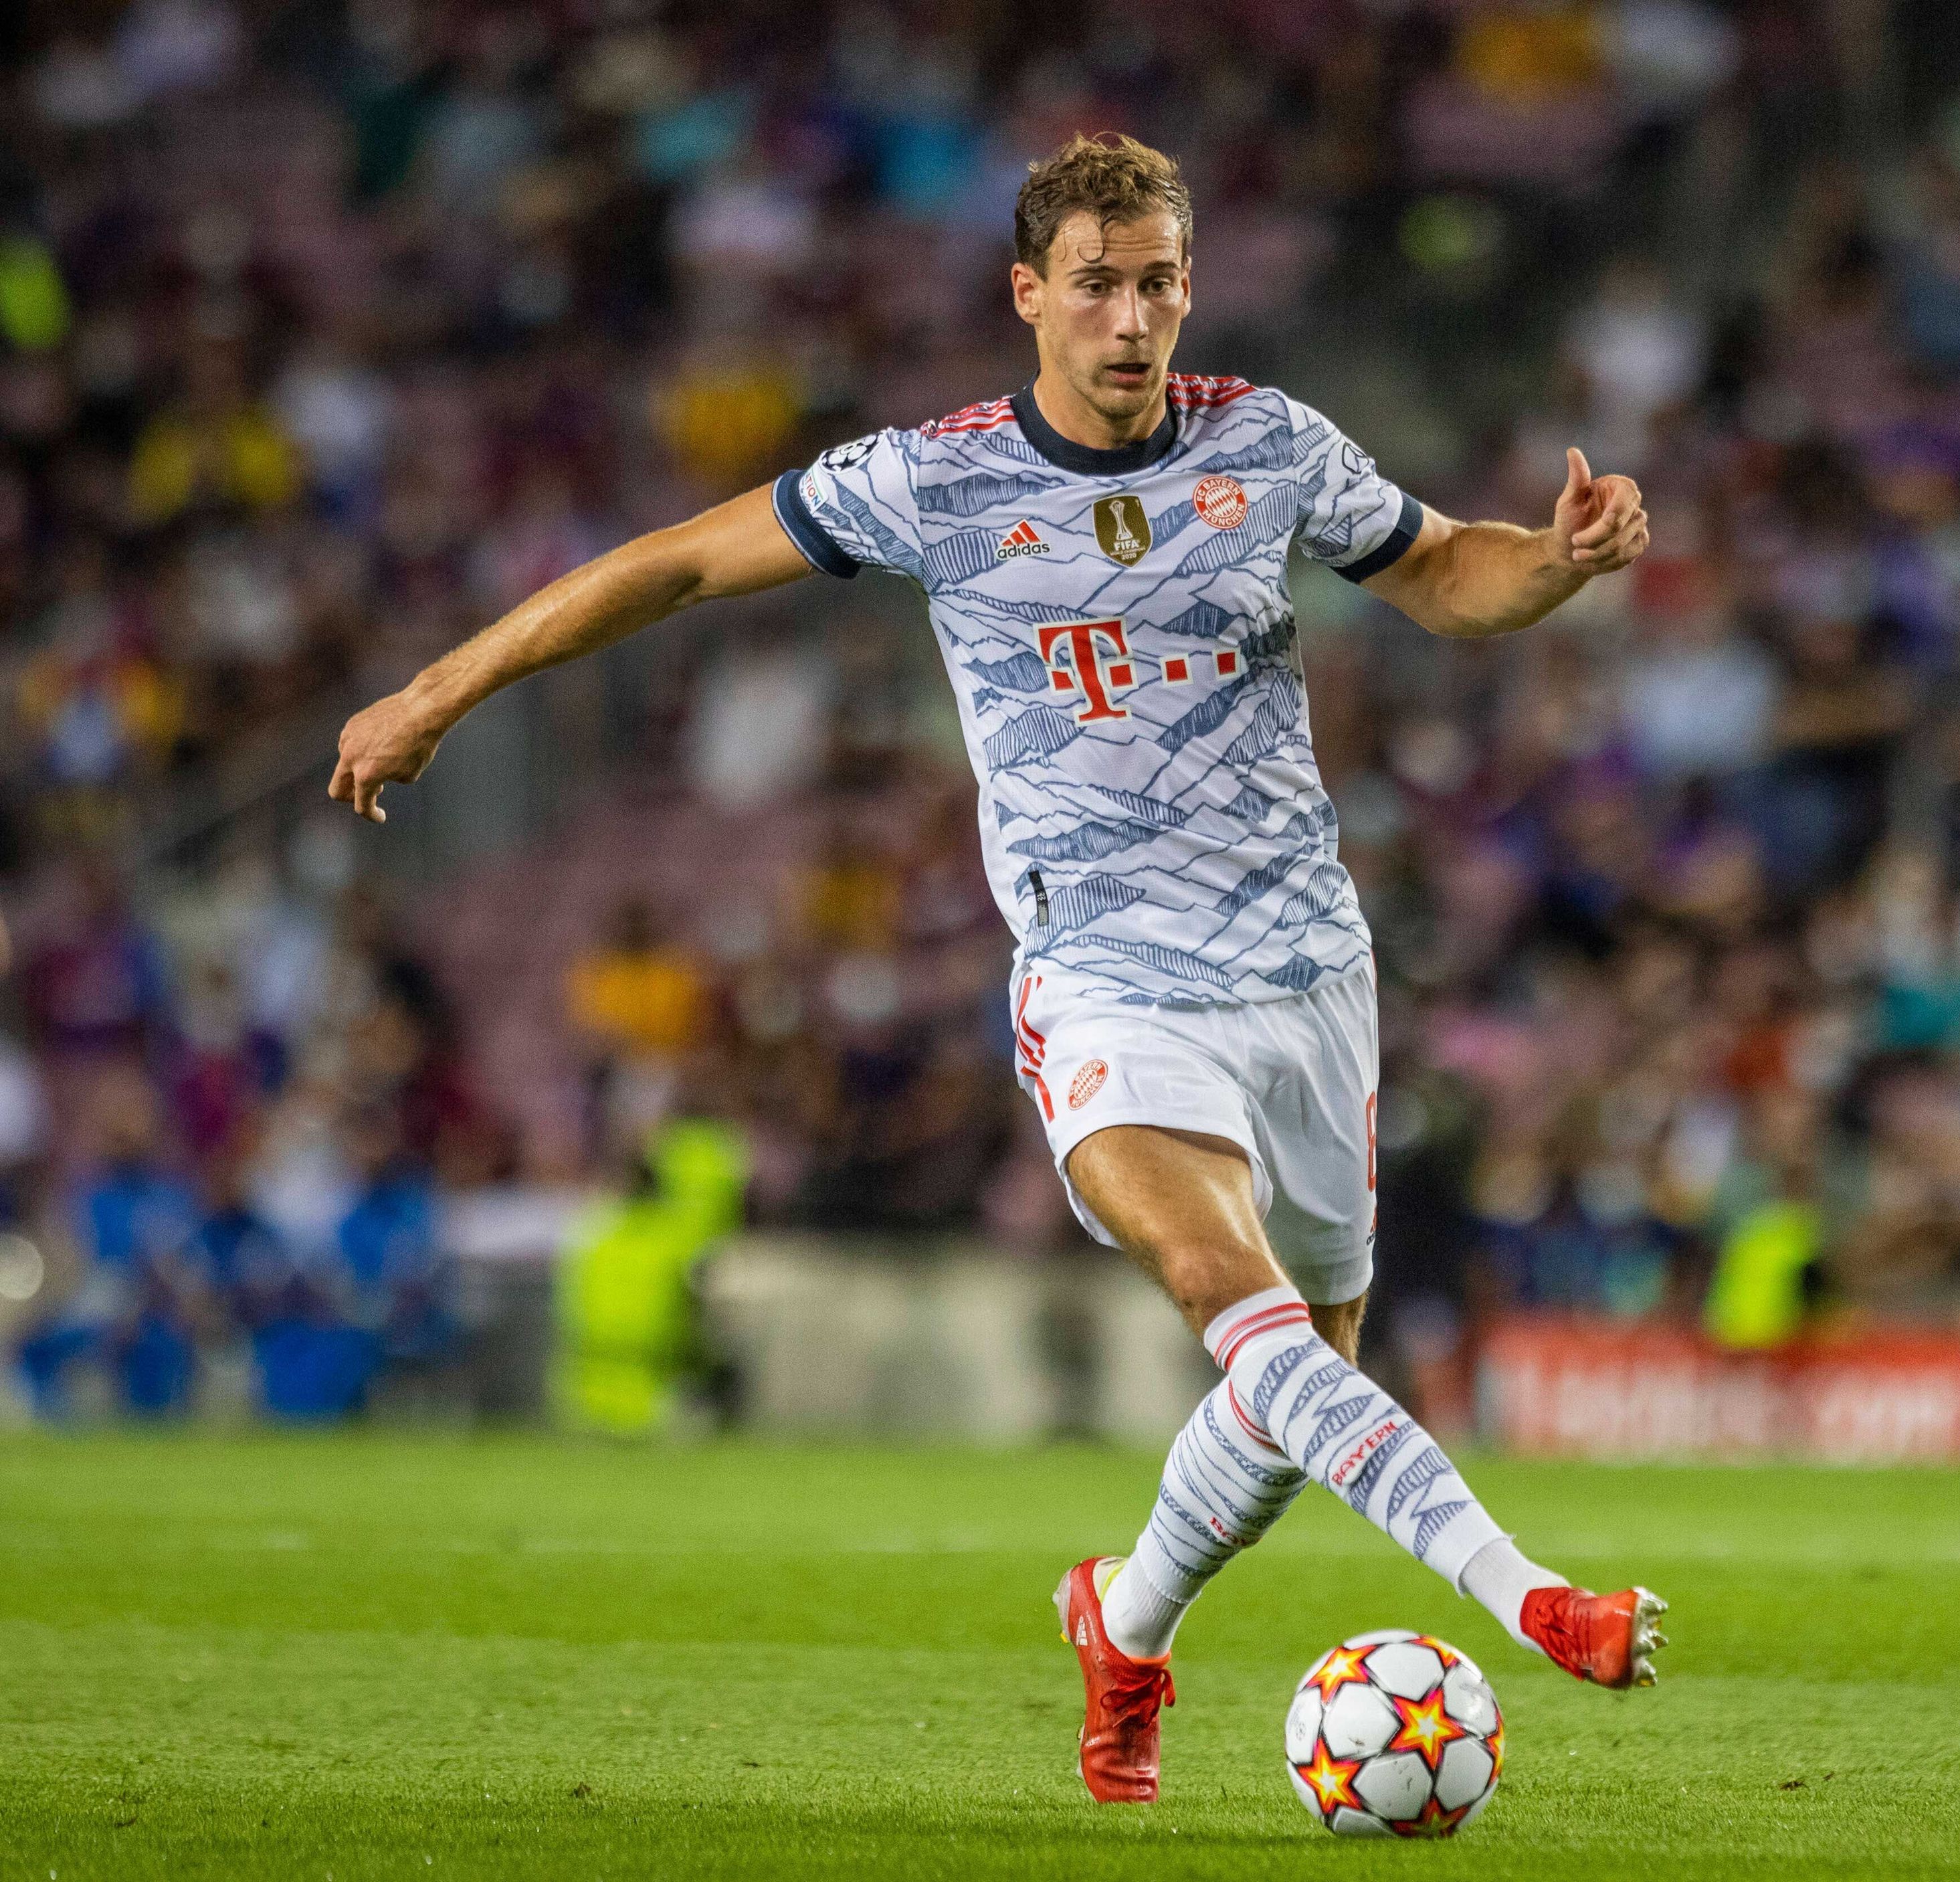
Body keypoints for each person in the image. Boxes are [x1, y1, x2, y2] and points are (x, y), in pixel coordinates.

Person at [326, 132, 1665, 1810]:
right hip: (1106, 977)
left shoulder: (1267, 442)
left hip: (1309, 973)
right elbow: (669, 561)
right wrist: (436, 693)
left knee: (1292, 1376)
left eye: (1158, 282)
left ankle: (1127, 1623)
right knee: (1229, 1309)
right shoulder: (932, 480)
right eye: (1096, 285)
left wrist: (1556, 560)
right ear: (1027, 293)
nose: (1131, 320)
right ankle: (1529, 1595)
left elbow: (1449, 572)